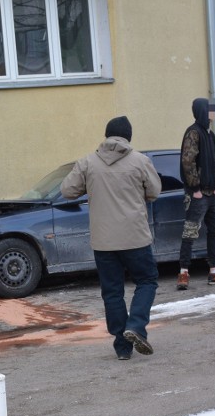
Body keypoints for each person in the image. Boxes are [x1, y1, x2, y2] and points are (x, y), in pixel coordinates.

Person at [61, 116, 162, 360]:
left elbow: (67, 191)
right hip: (135, 238)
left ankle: (122, 347)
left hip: (103, 242)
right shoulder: (140, 161)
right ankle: (135, 326)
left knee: (112, 292)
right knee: (147, 281)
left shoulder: (88, 162)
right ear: (128, 137)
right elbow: (155, 192)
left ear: (106, 136)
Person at [176, 98, 215, 290]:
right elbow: (188, 162)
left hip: (211, 193)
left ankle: (214, 271)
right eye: (211, 111)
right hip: (198, 194)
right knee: (190, 232)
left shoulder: (210, 134)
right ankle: (183, 273)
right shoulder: (193, 132)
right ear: (202, 111)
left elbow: (213, 160)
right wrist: (195, 189)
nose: (213, 115)